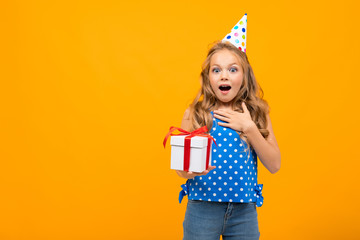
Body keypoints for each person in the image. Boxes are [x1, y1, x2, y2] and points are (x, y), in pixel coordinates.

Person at [175, 14, 281, 240]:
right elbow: (181, 171)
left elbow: (274, 165)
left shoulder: (256, 114)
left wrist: (250, 128)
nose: (224, 75)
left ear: (244, 76)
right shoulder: (194, 114)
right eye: (217, 70)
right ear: (208, 77)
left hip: (244, 212)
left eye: (233, 69)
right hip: (202, 209)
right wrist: (190, 170)